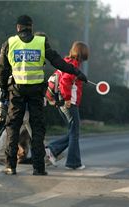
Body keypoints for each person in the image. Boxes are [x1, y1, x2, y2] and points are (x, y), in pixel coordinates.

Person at [0, 15, 88, 176]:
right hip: (36, 92)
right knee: (37, 128)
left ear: (18, 27)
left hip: (16, 91)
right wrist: (76, 72)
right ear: (31, 27)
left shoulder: (10, 43)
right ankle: (39, 168)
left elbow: (2, 69)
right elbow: (58, 61)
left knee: (13, 127)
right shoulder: (40, 42)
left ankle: (11, 166)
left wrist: (1, 88)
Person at [44, 41, 89, 170]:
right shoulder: (72, 65)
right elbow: (64, 82)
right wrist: (68, 99)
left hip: (61, 102)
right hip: (69, 103)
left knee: (72, 132)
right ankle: (73, 162)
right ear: (82, 54)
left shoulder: (66, 62)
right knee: (74, 133)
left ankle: (52, 150)